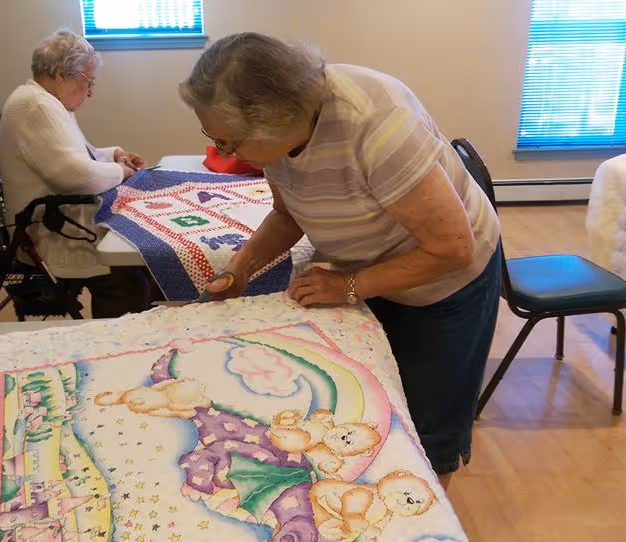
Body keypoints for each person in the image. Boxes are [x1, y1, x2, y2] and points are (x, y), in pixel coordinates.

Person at [179, 33, 502, 486]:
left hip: (444, 282)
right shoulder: (282, 132)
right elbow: (287, 214)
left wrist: (349, 285)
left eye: (229, 143)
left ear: (276, 121)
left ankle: (428, 521)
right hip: (372, 265)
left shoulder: (375, 122)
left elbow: (452, 249)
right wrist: (239, 271)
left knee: (429, 428)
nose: (225, 155)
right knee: (370, 407)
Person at [0, 29, 151, 318]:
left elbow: (80, 155)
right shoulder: (38, 106)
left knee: (141, 262)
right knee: (128, 280)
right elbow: (77, 175)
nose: (91, 91)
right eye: (88, 82)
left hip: (60, 220)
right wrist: (120, 171)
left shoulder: (46, 102)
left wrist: (116, 154)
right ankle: (117, 349)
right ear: (61, 74)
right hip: (50, 232)